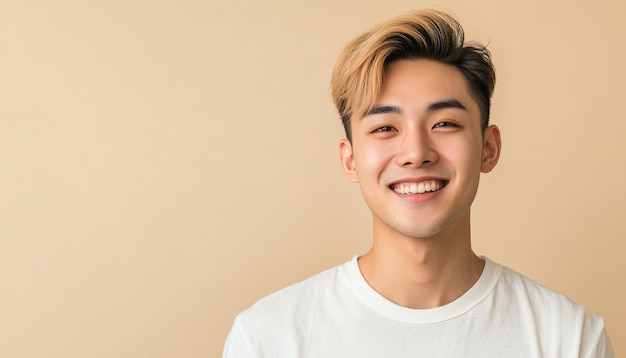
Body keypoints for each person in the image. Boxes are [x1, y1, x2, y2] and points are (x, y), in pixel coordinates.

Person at [223, 9, 614, 357]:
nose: (416, 152)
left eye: (444, 123)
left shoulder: (570, 338)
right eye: (385, 127)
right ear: (350, 159)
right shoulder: (268, 338)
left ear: (488, 148)